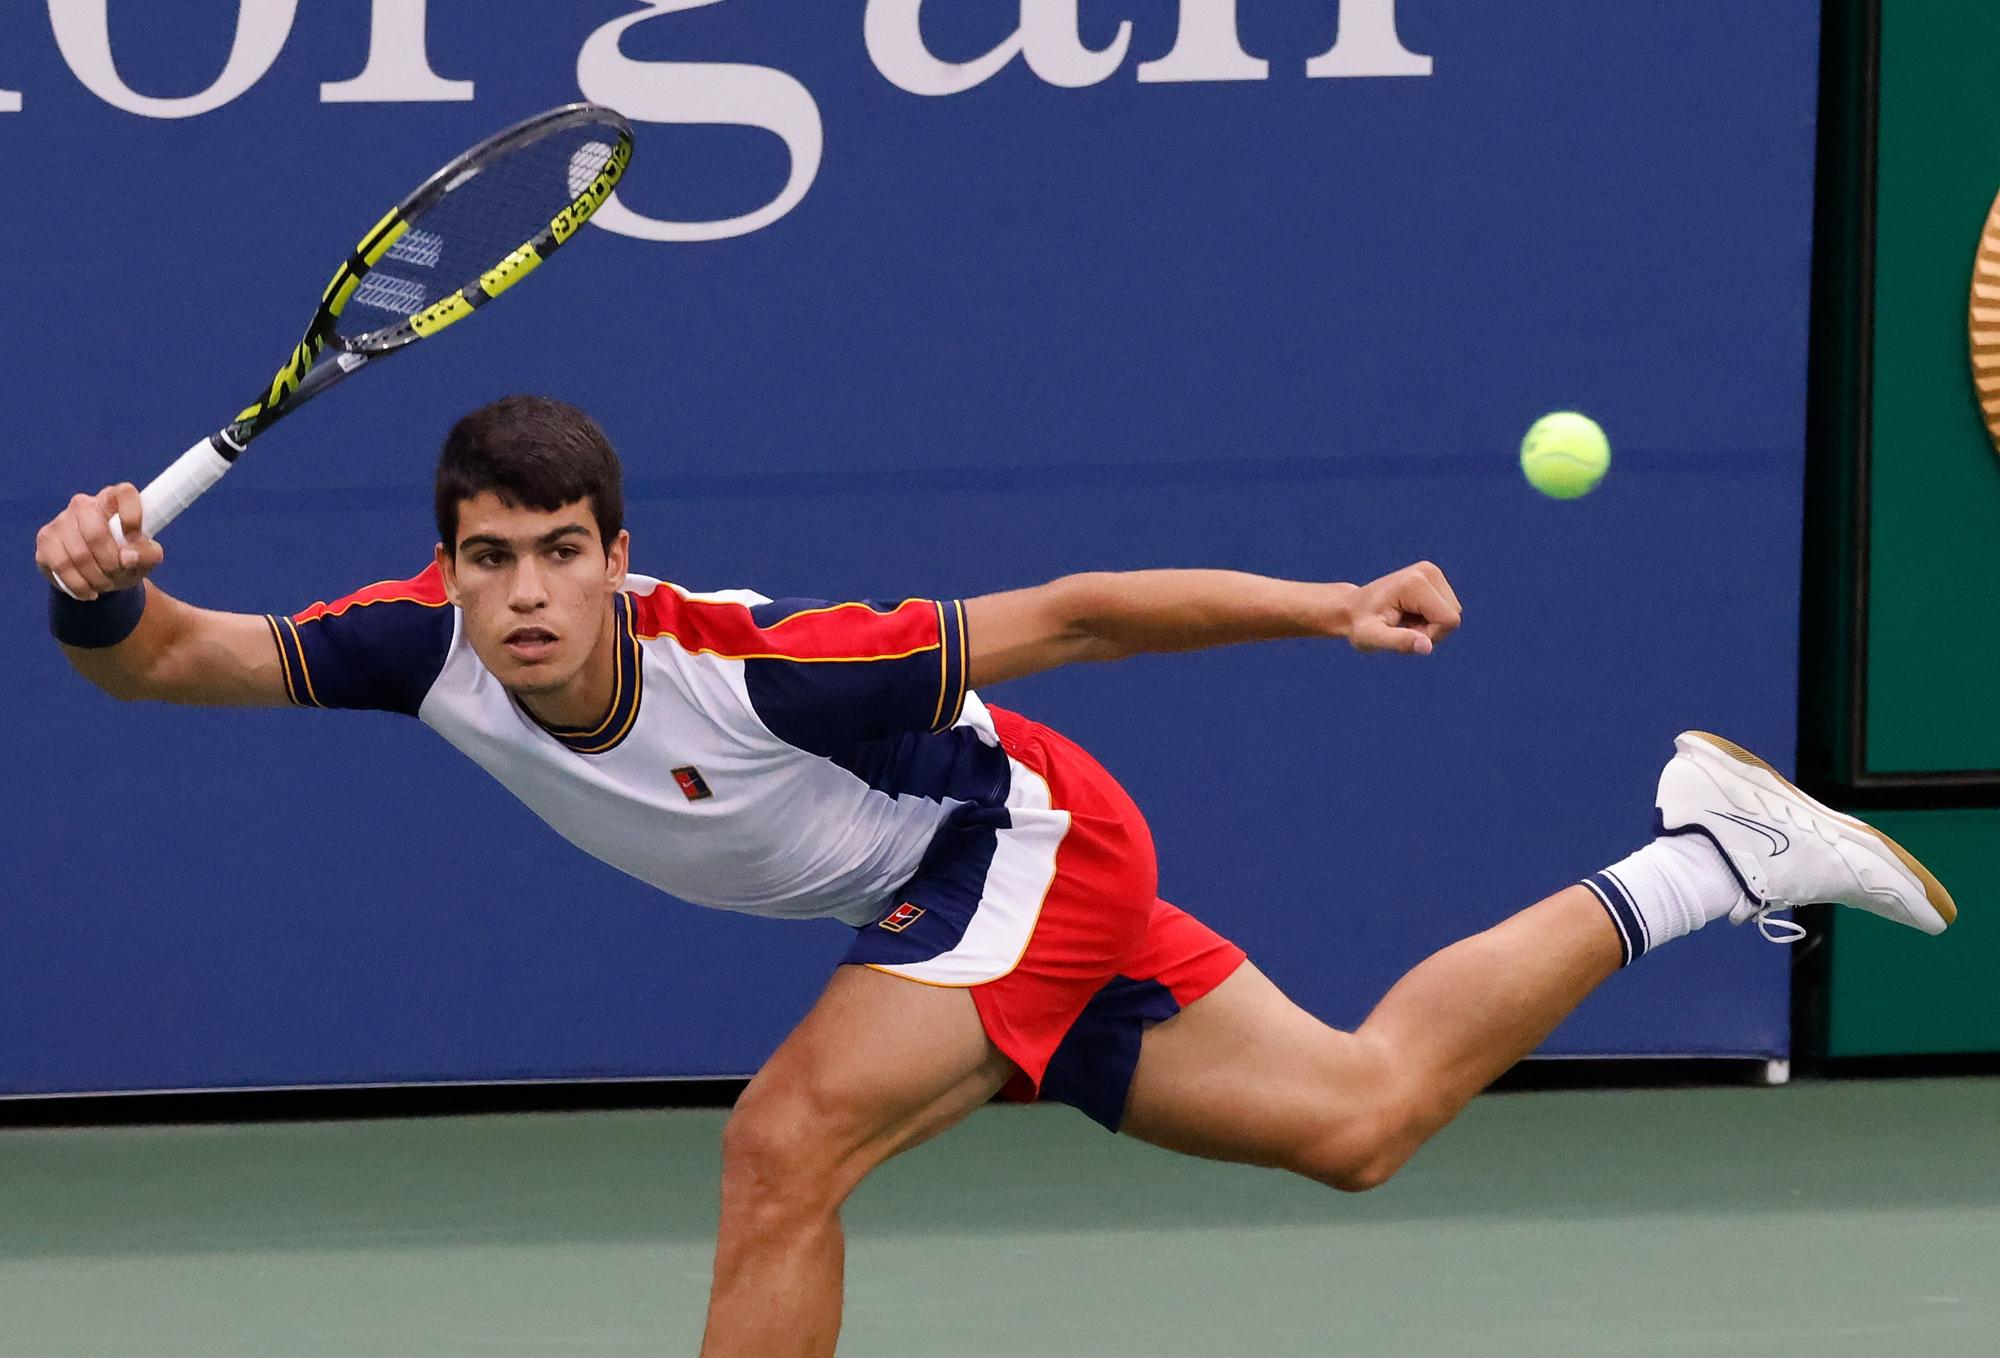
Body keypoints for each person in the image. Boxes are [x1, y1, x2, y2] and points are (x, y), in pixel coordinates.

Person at [36, 395, 1955, 1358]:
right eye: (487, 556)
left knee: (784, 1142)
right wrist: (101, 591)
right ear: (445, 563)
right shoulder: (416, 643)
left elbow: (1082, 617)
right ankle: (1712, 853)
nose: (522, 592)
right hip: (964, 902)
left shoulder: (769, 662)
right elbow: (177, 659)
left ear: (619, 552)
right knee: (1360, 1114)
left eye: (556, 550)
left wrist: (1333, 605)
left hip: (1018, 843)